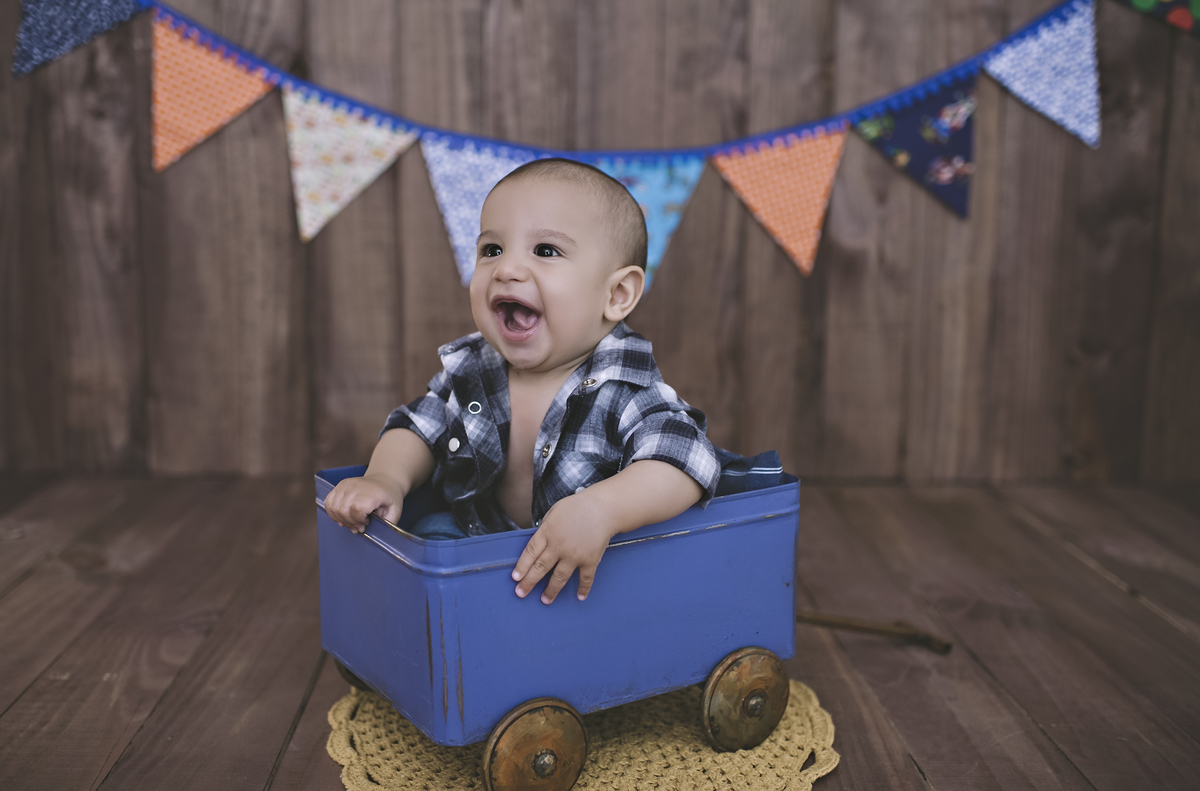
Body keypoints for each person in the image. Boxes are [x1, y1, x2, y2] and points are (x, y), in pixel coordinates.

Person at [323, 158, 720, 605]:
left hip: (585, 565)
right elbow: (418, 426)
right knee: (426, 539)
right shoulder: (476, 370)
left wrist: (601, 511)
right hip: (480, 538)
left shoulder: (622, 387)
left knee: (617, 576)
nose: (506, 269)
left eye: (545, 251)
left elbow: (687, 461)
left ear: (617, 295)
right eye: (491, 249)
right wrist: (385, 479)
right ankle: (431, 633)